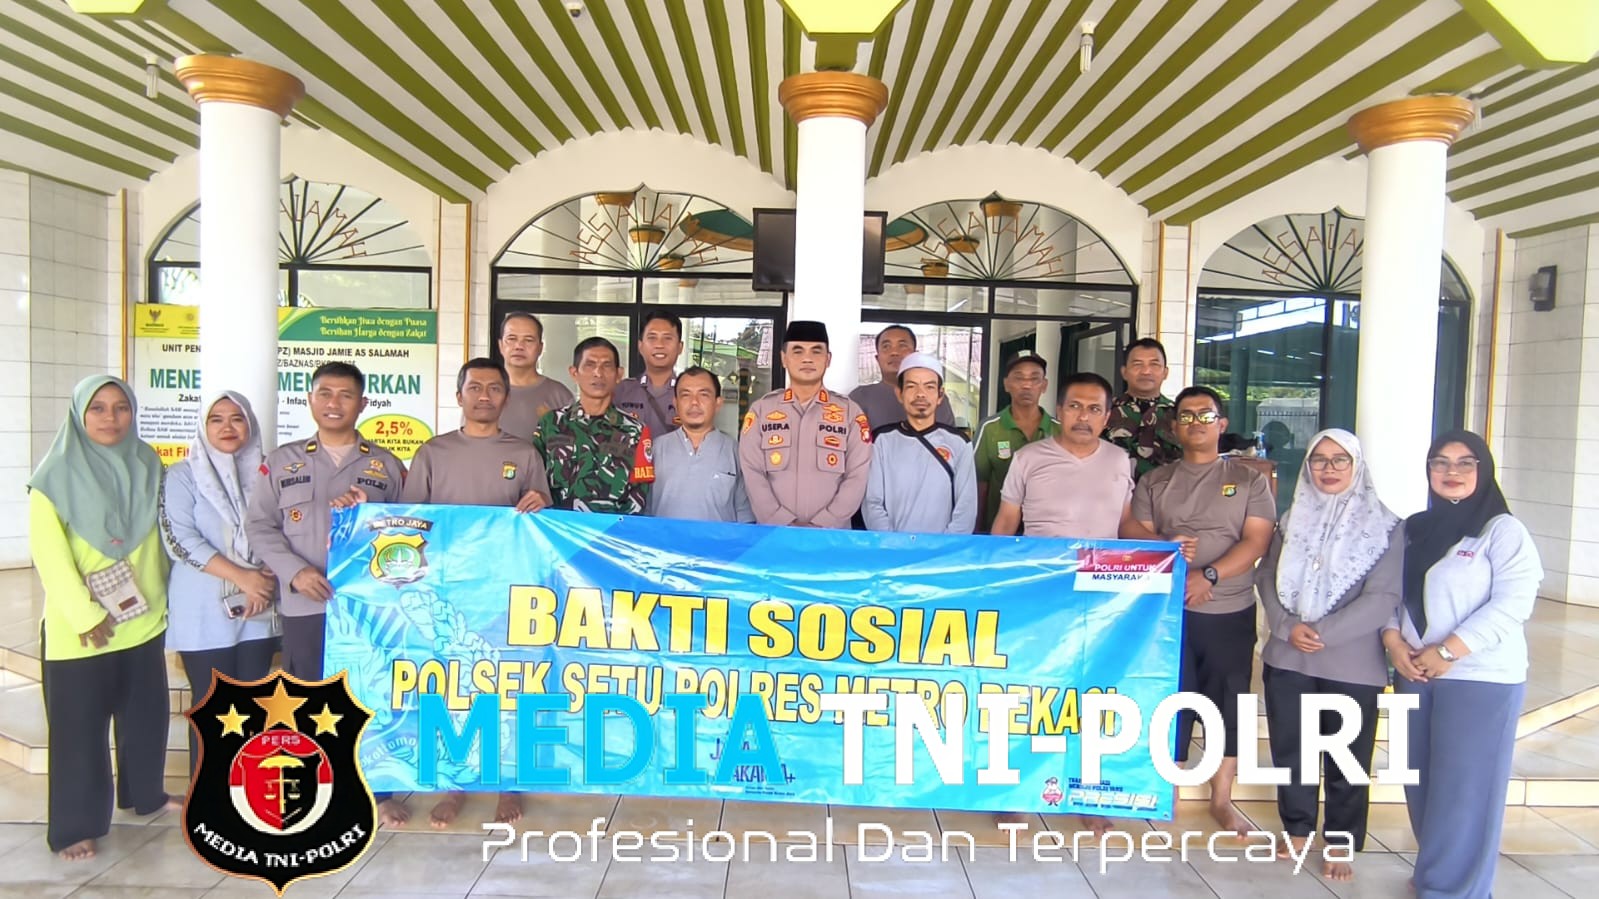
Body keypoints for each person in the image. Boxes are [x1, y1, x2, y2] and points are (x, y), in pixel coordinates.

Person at [378, 358, 550, 831]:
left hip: (507, 590)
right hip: (450, 593)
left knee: (507, 686)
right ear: (459, 396)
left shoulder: (525, 453)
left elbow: (544, 525)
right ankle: (456, 783)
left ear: (505, 398)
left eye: (494, 389)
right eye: (475, 388)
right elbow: (411, 524)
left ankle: (507, 783)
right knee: (458, 690)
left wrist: (538, 503)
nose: (484, 396)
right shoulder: (433, 453)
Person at [1385, 430, 1541, 899]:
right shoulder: (1414, 527)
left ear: (1483, 470)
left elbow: (1513, 603)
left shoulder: (1502, 530)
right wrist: (1393, 641)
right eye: (1440, 462)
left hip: (1479, 678)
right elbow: (1388, 592)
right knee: (1421, 783)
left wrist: (1449, 650)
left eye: (1465, 463)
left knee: (1465, 791)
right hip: (1414, 671)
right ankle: (1436, 871)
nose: (1451, 472)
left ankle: (1456, 890)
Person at [29, 375, 178, 861]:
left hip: (142, 619)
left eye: (120, 408)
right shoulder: (52, 478)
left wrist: (165, 601)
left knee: (145, 718)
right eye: (98, 409)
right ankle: (75, 826)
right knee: (79, 731)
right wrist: (84, 614)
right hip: (84, 632)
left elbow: (163, 539)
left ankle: (145, 796)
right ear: (79, 415)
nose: (111, 418)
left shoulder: (147, 464)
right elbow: (49, 557)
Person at [1256, 429, 1402, 882]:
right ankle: (1297, 828)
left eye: (1340, 460)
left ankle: (1340, 838)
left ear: (1357, 465)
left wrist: (1319, 632)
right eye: (1320, 460)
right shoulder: (1291, 519)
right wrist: (1286, 627)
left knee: (1347, 757)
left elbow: (1383, 598)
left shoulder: (1387, 527)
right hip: (1287, 656)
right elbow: (1266, 577)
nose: (1330, 468)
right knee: (1292, 750)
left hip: (1352, 662)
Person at [1130, 385, 1275, 833]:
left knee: (1228, 701)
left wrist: (1208, 576)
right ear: (1174, 428)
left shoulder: (1249, 480)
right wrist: (1165, 550)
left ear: (1222, 425)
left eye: (1205, 415)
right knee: (1173, 698)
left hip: (1228, 610)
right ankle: (1169, 789)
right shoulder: (1156, 480)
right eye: (1187, 417)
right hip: (1169, 613)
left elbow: (1257, 540)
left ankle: (1222, 799)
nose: (1196, 423)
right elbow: (1137, 532)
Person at [245, 363, 405, 684]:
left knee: (366, 703)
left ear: (362, 404)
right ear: (310, 399)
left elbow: (407, 530)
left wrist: (369, 515)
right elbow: (259, 526)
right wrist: (295, 572)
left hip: (368, 608)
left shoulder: (387, 465)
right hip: (306, 605)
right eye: (325, 394)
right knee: (307, 706)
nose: (334, 404)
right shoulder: (281, 462)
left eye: (346, 395)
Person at [158, 391, 281, 784]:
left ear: (250, 425)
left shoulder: (269, 473)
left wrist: (266, 577)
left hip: (259, 605)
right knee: (213, 707)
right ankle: (208, 793)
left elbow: (284, 531)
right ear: (203, 426)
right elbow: (179, 540)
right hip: (203, 608)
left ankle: (246, 790)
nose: (228, 427)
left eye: (237, 418)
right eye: (217, 419)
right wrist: (243, 576)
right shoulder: (181, 475)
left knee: (252, 704)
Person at [739, 320, 872, 528]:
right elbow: (752, 472)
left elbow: (857, 476)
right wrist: (781, 523)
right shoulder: (761, 411)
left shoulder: (850, 413)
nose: (807, 358)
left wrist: (822, 525)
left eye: (816, 351)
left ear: (828, 359)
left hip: (831, 538)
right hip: (774, 535)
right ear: (784, 358)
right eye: (798, 351)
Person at [990, 372, 1135, 541]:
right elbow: (1007, 520)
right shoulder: (1027, 458)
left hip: (1098, 566)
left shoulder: (1119, 459)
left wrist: (1168, 546)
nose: (1083, 417)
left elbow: (1125, 522)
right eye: (1074, 406)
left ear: (1106, 418)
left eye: (1094, 409)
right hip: (1041, 564)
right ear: (1059, 411)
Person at [532, 337, 654, 513]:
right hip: (558, 532)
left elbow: (640, 494)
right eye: (589, 365)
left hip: (609, 534)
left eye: (606, 365)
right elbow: (533, 479)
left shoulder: (636, 430)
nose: (598, 373)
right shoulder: (551, 423)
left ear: (619, 374)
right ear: (574, 373)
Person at [862, 352, 976, 534]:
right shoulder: (882, 440)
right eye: (912, 386)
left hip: (942, 555)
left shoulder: (959, 443)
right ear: (899, 394)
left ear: (940, 396)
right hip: (893, 551)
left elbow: (966, 507)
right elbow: (872, 502)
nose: (920, 394)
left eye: (929, 387)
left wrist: (945, 548)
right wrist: (892, 543)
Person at [646, 365, 754, 523]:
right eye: (685, 395)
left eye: (703, 395)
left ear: (718, 403)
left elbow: (745, 518)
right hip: (663, 546)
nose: (694, 403)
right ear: (675, 403)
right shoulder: (655, 449)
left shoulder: (735, 452)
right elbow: (641, 511)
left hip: (717, 546)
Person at [973, 353, 1058, 533]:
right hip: (1000, 533)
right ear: (1006, 384)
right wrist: (977, 533)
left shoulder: (1060, 430)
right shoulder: (990, 428)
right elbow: (979, 485)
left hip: (1046, 537)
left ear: (1044, 385)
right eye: (1019, 378)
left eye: (1034, 379)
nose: (1026, 385)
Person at [1103, 338, 1181, 481]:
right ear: (1124, 372)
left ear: (1165, 372)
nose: (1146, 371)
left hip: (1167, 498)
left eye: (1154, 364)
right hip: (1114, 498)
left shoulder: (1180, 416)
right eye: (1137, 364)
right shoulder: (1104, 412)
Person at [850, 324, 955, 429]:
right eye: (886, 346)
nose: (894, 352)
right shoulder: (859, 397)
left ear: (915, 355)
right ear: (877, 358)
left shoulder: (933, 396)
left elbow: (948, 440)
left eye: (902, 346)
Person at [497, 312, 574, 441]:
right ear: (501, 345)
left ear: (540, 348)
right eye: (511, 339)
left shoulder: (559, 395)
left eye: (528, 340)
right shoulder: (485, 394)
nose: (519, 346)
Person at [613, 309, 683, 437]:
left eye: (667, 338)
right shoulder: (621, 390)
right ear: (640, 346)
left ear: (680, 347)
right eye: (652, 338)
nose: (659, 345)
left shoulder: (688, 392)